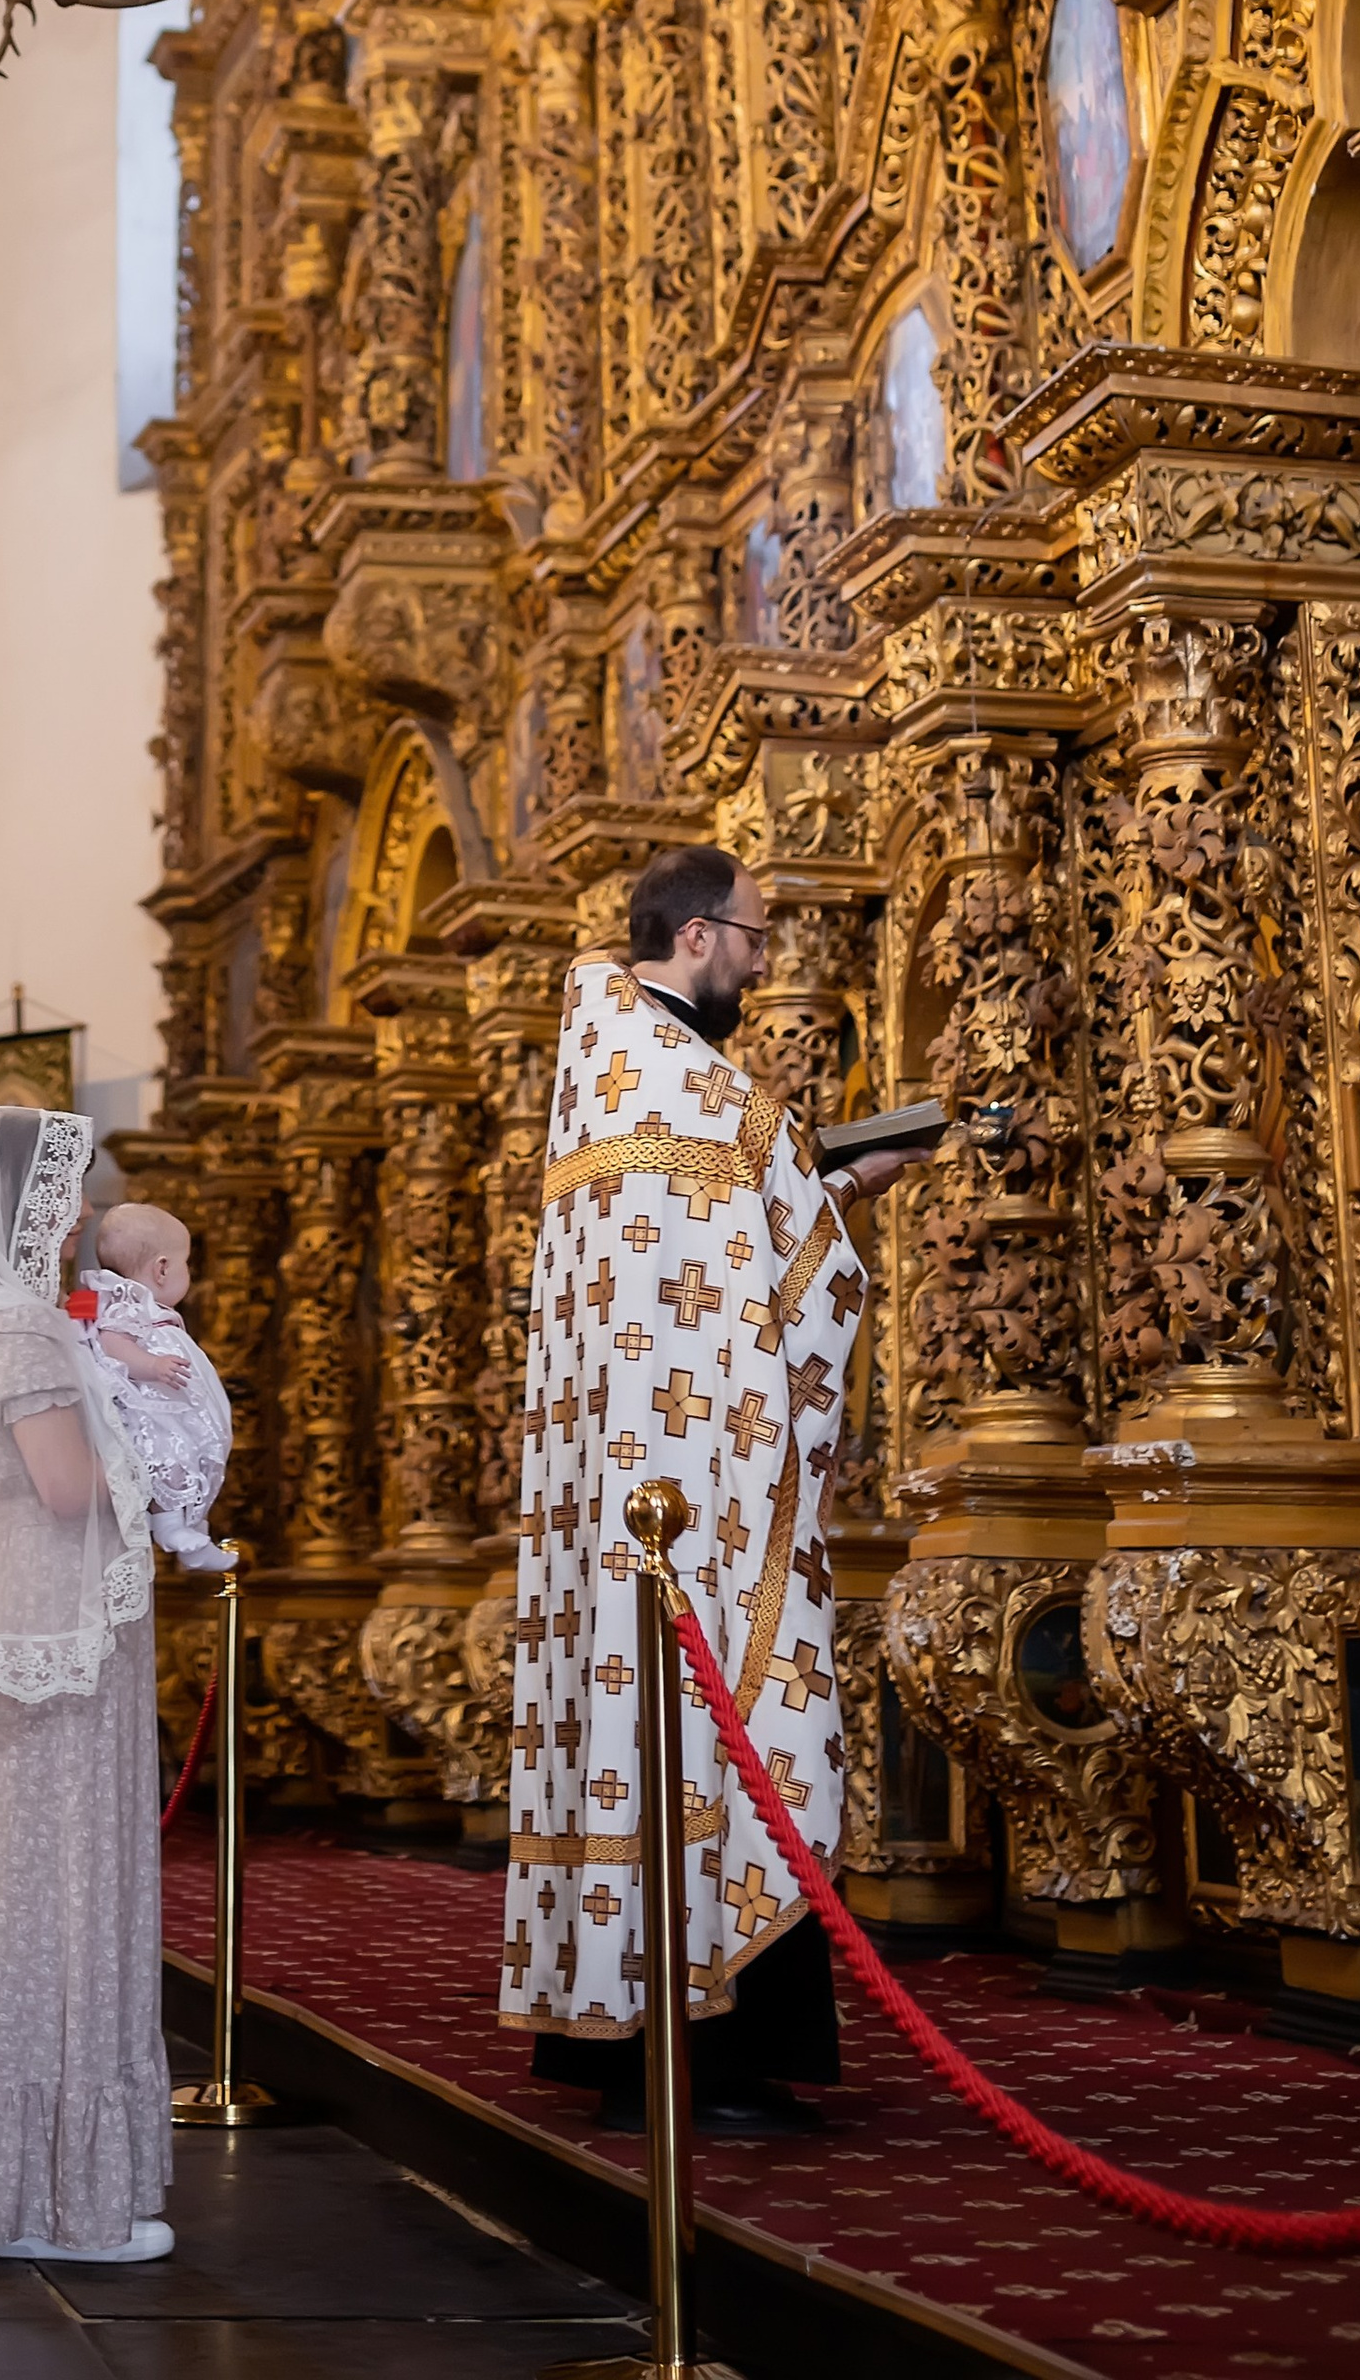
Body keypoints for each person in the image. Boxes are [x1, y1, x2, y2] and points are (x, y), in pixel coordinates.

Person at [505, 842, 938, 2133]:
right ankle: (713, 2047)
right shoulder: (685, 1075)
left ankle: (626, 2042)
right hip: (699, 1489)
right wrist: (839, 1193)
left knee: (646, 1732)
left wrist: (829, 1181)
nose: (759, 960)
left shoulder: (604, 1063)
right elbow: (781, 1275)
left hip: (631, 1479)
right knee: (728, 1723)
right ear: (696, 937)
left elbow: (735, 1238)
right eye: (751, 936)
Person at [0, 1103, 171, 2267]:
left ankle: (45, 2192)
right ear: (23, 1204)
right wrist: (169, 1457)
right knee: (63, 1900)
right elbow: (65, 1487)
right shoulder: (10, 1323)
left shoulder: (6, 1320)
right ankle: (60, 2205)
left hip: (65, 1632)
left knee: (73, 1895)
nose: (77, 1215)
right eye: (62, 1193)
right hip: (53, 1638)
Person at [70, 1202, 235, 1574]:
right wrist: (152, 1365)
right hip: (151, 1407)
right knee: (170, 1459)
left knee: (193, 1457)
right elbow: (112, 1342)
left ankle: (191, 1533)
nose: (186, 1272)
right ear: (162, 1268)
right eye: (185, 1263)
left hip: (168, 1401)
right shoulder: (126, 1303)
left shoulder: (139, 1303)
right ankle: (172, 1528)